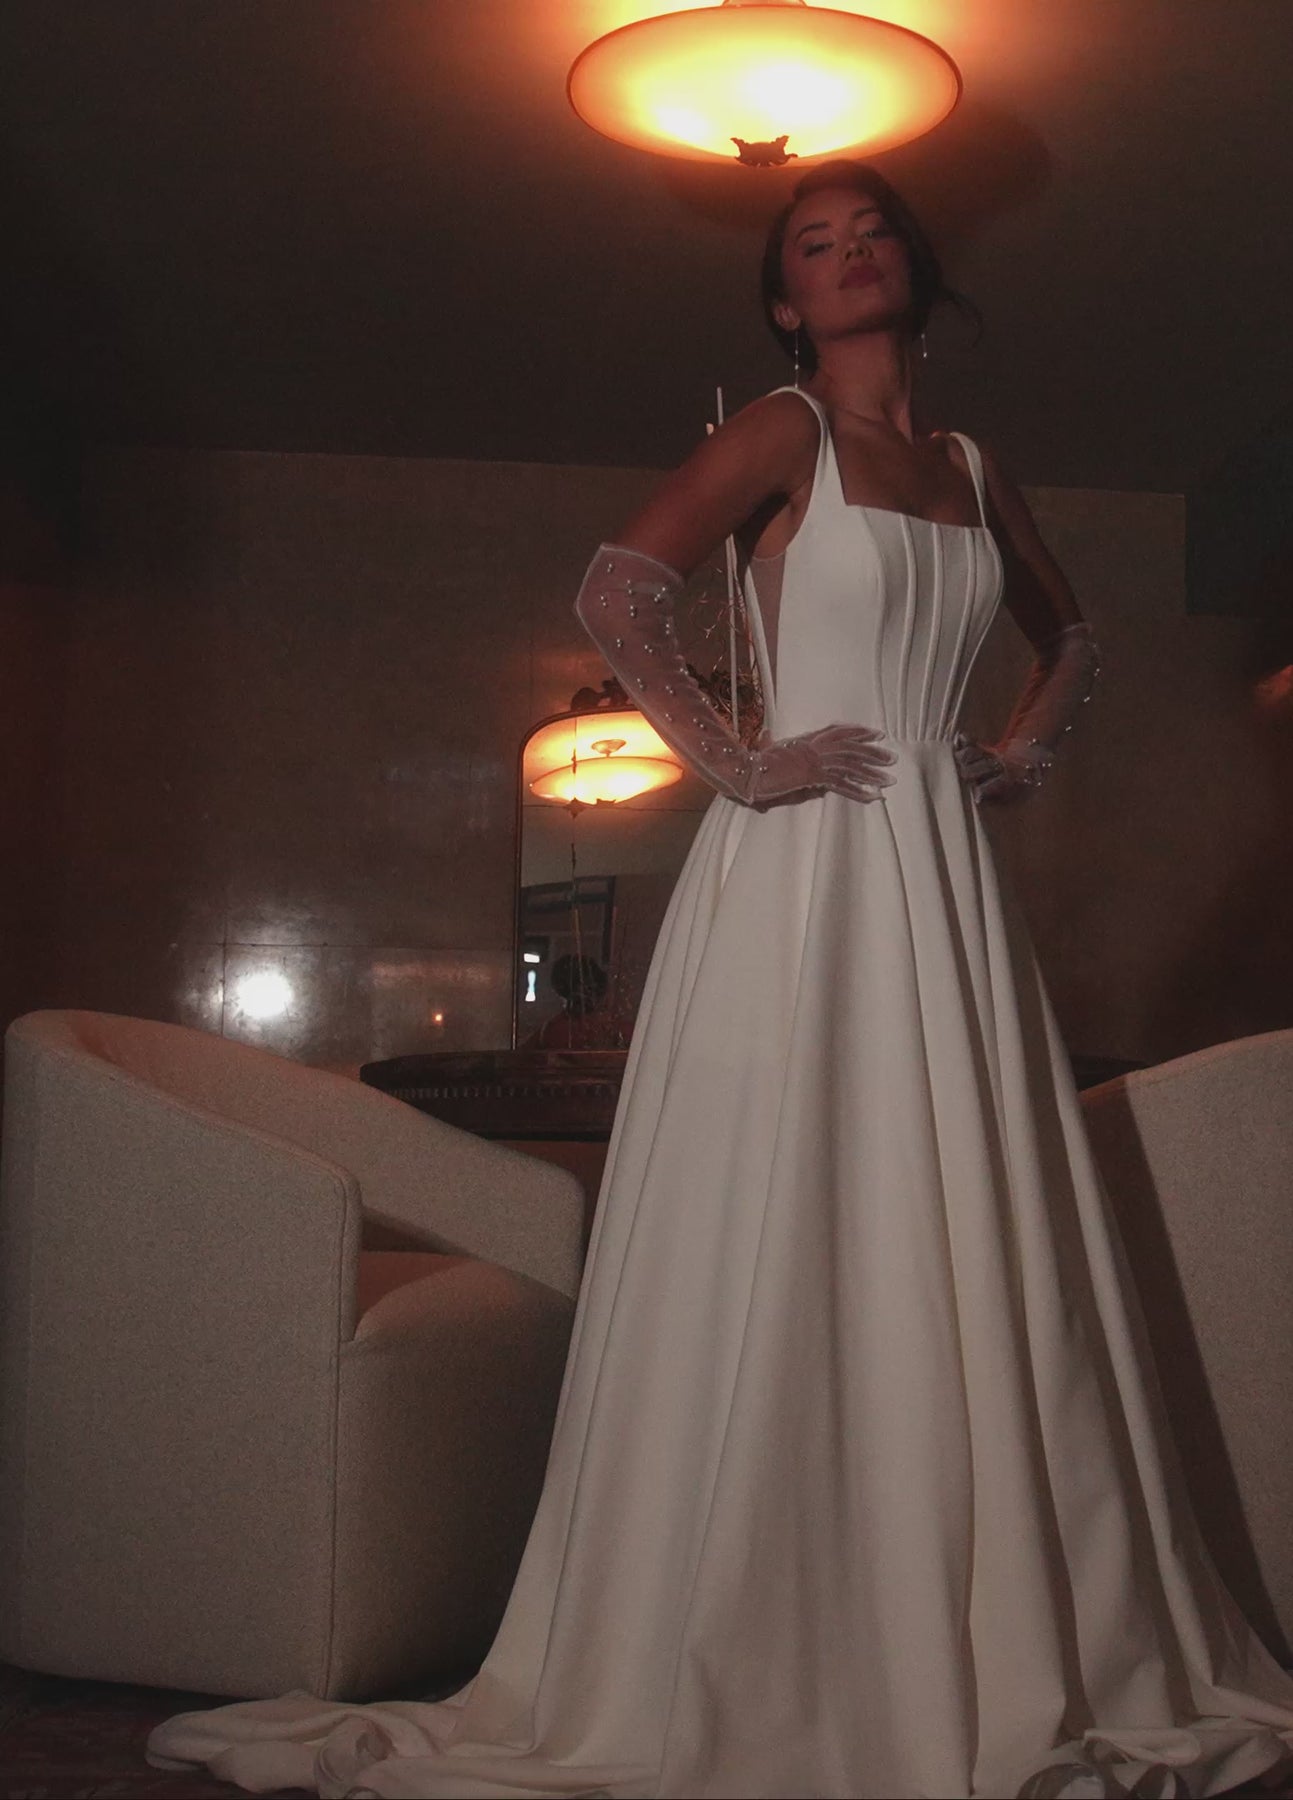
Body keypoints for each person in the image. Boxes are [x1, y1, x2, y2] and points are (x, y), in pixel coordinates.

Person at [147, 160, 1293, 1798]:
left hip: (944, 879)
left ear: (913, 264)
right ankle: (747, 1609)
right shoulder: (780, 430)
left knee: (955, 1197)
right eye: (813, 244)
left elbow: (1071, 638)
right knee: (791, 1187)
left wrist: (1019, 756)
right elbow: (615, 589)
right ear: (782, 301)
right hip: (804, 862)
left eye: (871, 230)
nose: (849, 253)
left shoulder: (972, 466)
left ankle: (976, 1613)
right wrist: (739, 764)